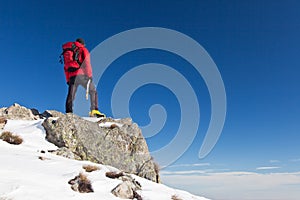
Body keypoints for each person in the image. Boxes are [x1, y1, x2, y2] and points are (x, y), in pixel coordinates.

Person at [63, 38, 104, 117]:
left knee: (71, 94)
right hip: (82, 75)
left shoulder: (68, 51)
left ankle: (68, 112)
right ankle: (94, 110)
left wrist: (68, 79)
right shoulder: (83, 49)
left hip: (72, 76)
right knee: (93, 91)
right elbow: (87, 63)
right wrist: (89, 76)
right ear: (82, 43)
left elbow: (65, 68)